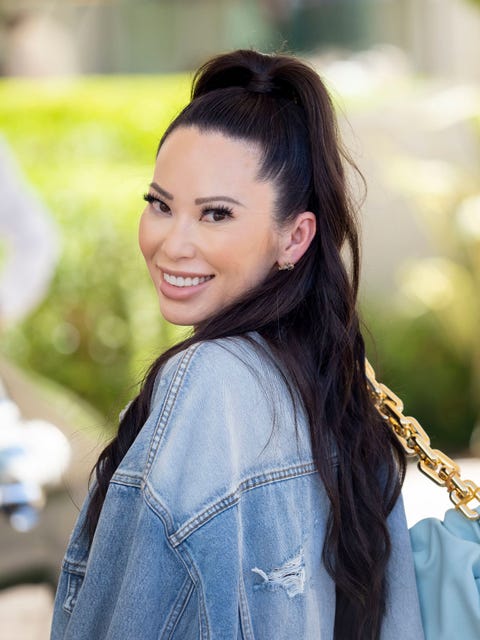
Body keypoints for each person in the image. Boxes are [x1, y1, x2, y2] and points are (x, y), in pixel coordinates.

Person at [50, 49, 424, 640]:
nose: (173, 243)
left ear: (294, 237)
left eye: (216, 214)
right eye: (159, 204)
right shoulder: (331, 383)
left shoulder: (206, 386)